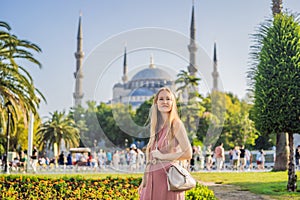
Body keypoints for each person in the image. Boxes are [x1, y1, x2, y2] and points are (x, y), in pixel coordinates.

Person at [138, 87, 192, 200]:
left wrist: (163, 156)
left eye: (168, 99)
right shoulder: (156, 127)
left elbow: (188, 153)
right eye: (161, 99)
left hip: (168, 181)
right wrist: (143, 183)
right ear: (156, 103)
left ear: (173, 103)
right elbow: (150, 160)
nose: (165, 102)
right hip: (151, 182)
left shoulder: (176, 124)